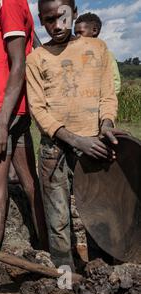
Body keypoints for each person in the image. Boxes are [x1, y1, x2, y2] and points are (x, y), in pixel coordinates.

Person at [26, 0, 123, 270]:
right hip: (54, 150)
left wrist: (106, 124)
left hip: (94, 147)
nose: (56, 26)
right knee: (58, 222)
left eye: (62, 17)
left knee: (98, 216)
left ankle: (100, 278)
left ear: (74, 14)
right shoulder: (36, 59)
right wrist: (75, 139)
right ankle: (64, 282)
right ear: (40, 20)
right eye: (48, 20)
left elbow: (107, 95)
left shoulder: (97, 49)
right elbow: (38, 109)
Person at [0, 0, 49, 294]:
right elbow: (36, 49)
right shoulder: (16, 4)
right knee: (30, 184)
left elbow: (19, 63)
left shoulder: (9, 2)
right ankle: (47, 251)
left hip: (1, 109)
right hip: (17, 109)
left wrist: (1, 124)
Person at [74, 12, 122, 95]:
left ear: (94, 31)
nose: (77, 36)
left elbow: (115, 83)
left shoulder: (105, 55)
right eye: (75, 33)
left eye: (80, 32)